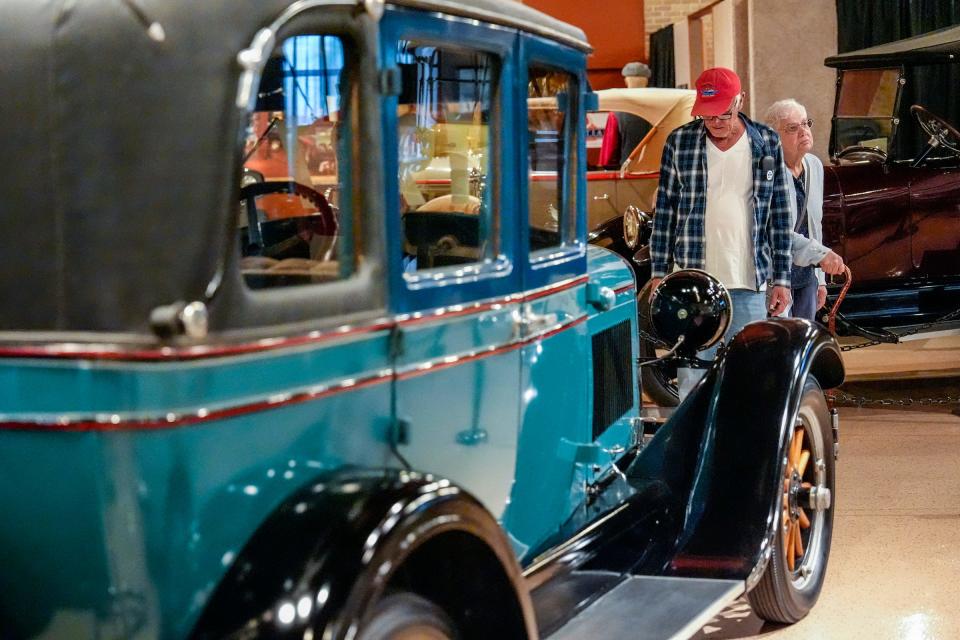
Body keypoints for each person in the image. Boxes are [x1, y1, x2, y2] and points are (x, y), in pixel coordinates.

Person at [649, 67, 793, 363]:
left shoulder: (766, 142)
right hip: (694, 278)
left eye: (723, 114)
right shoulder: (679, 143)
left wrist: (782, 278)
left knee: (749, 366)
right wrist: (659, 273)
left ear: (740, 101)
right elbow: (665, 211)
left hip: (749, 279)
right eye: (707, 115)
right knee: (694, 370)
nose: (715, 122)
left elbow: (779, 215)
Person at [763, 99, 846, 321]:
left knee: (805, 340)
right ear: (774, 137)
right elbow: (774, 231)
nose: (803, 131)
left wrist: (820, 279)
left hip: (807, 272)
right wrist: (820, 255)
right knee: (781, 341)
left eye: (805, 123)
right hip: (777, 273)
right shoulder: (767, 171)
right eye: (792, 128)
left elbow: (814, 224)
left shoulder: (814, 165)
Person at [598, 62, 653, 168]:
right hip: (658, 171)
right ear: (646, 82)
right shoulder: (661, 109)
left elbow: (609, 154)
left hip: (627, 173)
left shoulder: (616, 113)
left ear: (626, 81)